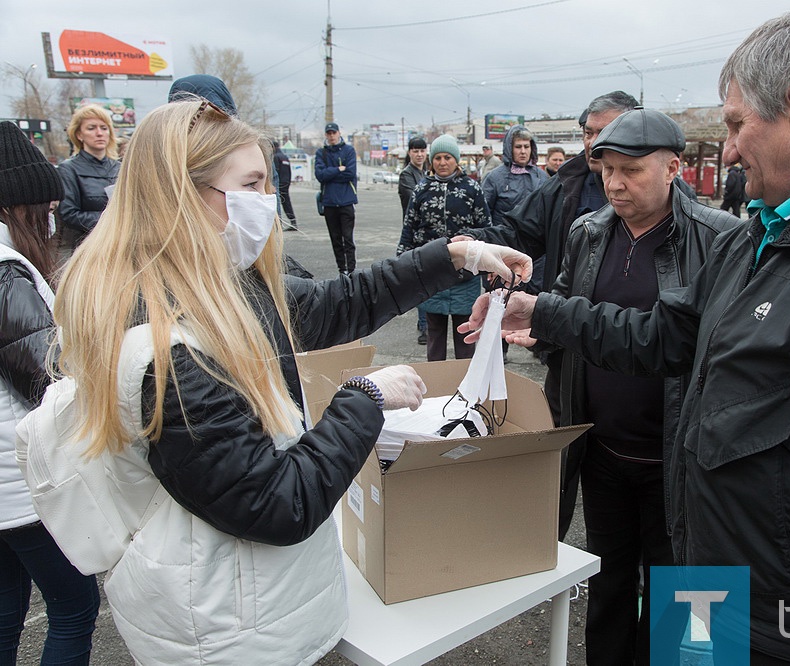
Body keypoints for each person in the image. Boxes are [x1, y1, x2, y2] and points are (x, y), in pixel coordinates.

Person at [463, 11, 790, 664]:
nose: (727, 150)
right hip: (709, 576)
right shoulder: (765, 235)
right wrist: (543, 312)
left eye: (735, 125)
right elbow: (665, 339)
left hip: (779, 627)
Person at [49, 101, 529, 665]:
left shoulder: (216, 285)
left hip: (253, 599)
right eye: (250, 184)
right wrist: (366, 399)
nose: (266, 202)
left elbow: (337, 303)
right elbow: (275, 502)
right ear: (181, 193)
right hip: (226, 623)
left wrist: (456, 254)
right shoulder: (173, 346)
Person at [537, 108, 738, 665]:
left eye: (631, 169)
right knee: (607, 585)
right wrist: (537, 332)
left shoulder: (721, 241)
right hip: (603, 454)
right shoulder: (587, 232)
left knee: (693, 601)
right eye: (605, 169)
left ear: (675, 167)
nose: (615, 183)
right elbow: (564, 312)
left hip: (684, 462)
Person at [459, 90, 638, 539]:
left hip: (638, 360)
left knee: (633, 491)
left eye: (607, 133)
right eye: (588, 134)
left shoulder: (690, 218)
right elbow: (517, 231)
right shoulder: (566, 183)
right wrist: (469, 249)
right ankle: (547, 555)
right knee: (561, 458)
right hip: (568, 345)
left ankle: (647, 581)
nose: (595, 145)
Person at [0, 121, 101, 665]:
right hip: (18, 488)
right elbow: (48, 379)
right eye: (43, 210)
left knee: (5, 613)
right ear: (18, 207)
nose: (50, 222)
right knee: (74, 605)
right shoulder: (6, 274)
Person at [398, 135, 490, 362]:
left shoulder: (472, 189)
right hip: (432, 271)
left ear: (456, 160)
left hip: (465, 273)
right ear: (431, 161)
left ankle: (466, 389)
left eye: (447, 157)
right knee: (435, 334)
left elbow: (486, 228)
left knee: (466, 335)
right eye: (437, 157)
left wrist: (488, 265)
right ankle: (436, 386)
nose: (442, 162)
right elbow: (409, 226)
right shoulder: (421, 189)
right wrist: (401, 260)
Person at [56, 104, 120, 249]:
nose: (99, 133)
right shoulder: (68, 169)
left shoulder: (120, 168)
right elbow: (69, 214)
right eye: (91, 128)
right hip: (88, 247)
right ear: (79, 134)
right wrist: (113, 219)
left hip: (120, 246)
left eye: (104, 128)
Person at [481, 124, 546, 227]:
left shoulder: (542, 177)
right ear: (509, 148)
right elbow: (484, 212)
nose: (523, 151)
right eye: (518, 147)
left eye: (526, 146)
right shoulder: (494, 178)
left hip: (535, 239)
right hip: (502, 239)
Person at [315, 122, 358, 273]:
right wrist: (338, 169)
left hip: (346, 201)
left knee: (348, 238)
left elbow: (350, 173)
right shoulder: (322, 153)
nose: (332, 136)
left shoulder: (349, 151)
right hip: (329, 202)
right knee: (335, 239)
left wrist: (331, 174)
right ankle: (342, 269)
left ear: (339, 133)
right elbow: (320, 175)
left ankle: (351, 269)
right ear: (326, 135)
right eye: (329, 133)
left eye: (334, 133)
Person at [399, 137, 430, 345]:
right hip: (415, 235)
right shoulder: (406, 176)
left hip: (426, 234)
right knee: (423, 280)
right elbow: (417, 200)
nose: (419, 154)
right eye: (415, 151)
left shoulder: (425, 173)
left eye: (422, 151)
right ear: (409, 153)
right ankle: (424, 325)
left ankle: (425, 322)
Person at [272, 140, 296, 230]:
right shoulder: (285, 157)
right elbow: (289, 171)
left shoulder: (275, 157)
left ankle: (278, 224)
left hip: (279, 184)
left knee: (278, 202)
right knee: (286, 203)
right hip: (286, 182)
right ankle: (293, 221)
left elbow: (276, 172)